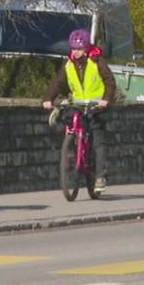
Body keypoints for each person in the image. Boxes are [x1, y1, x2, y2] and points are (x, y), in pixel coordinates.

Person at [42, 28, 116, 193]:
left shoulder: (97, 61)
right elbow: (58, 82)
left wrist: (106, 99)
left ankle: (100, 177)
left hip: (96, 106)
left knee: (97, 141)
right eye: (73, 48)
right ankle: (71, 149)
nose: (75, 52)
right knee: (69, 121)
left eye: (79, 49)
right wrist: (48, 99)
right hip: (77, 104)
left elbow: (109, 81)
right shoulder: (69, 64)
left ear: (86, 48)